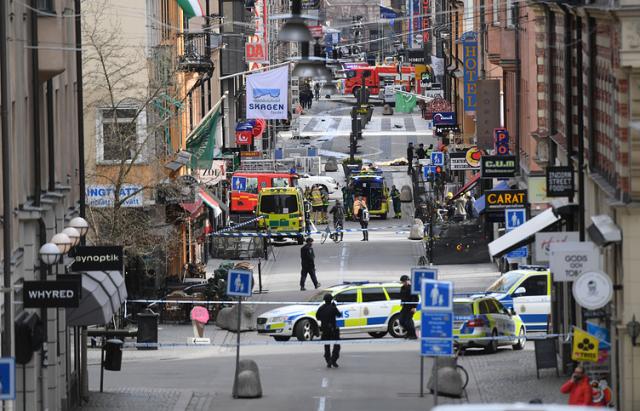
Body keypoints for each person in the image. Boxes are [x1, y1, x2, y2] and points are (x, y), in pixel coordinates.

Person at [316, 293, 342, 368]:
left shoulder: (321, 308)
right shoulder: (333, 308)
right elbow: (339, 315)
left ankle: (328, 361)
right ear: (331, 300)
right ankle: (333, 360)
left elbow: (317, 317)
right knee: (337, 345)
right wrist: (335, 307)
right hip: (333, 329)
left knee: (326, 346)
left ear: (324, 300)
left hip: (324, 330)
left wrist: (324, 319)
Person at [399, 275, 418, 339]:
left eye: (405, 281)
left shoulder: (412, 288)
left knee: (408, 322)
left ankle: (413, 335)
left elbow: (416, 298)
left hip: (410, 307)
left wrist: (414, 307)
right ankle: (409, 333)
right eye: (403, 281)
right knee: (401, 321)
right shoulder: (402, 288)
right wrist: (402, 302)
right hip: (404, 307)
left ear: (408, 281)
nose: (404, 282)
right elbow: (402, 296)